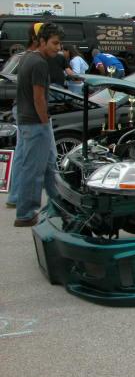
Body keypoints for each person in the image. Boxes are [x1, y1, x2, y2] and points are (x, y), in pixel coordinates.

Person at [12, 22, 62, 227]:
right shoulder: (40, 63)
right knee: (34, 170)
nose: (58, 48)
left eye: (59, 43)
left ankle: (59, 205)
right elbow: (38, 98)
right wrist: (44, 121)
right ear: (42, 41)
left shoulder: (27, 57)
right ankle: (25, 214)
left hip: (27, 120)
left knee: (50, 166)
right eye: (54, 43)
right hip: (35, 123)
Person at [6, 22, 42, 209]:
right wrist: (44, 118)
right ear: (37, 39)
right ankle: (23, 204)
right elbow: (38, 95)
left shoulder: (23, 57)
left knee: (23, 155)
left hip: (22, 109)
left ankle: (16, 197)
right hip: (30, 113)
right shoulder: (35, 59)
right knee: (30, 157)